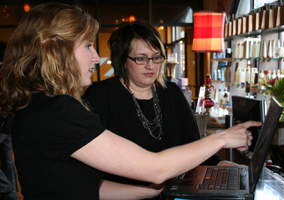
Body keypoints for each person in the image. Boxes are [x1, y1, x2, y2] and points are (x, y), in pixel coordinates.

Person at [0, 3, 260, 200]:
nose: (95, 57)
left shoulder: (41, 105)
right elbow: (156, 168)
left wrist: (150, 192)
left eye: (156, 57)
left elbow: (85, 187)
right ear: (57, 51)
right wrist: (223, 138)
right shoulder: (57, 111)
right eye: (88, 46)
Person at [83, 21, 244, 199]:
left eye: (156, 57)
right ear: (122, 59)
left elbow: (193, 145)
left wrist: (223, 165)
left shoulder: (171, 92)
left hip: (172, 193)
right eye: (141, 58)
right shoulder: (101, 96)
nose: (151, 66)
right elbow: (90, 172)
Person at [0, 41, 18, 200]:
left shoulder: (6, 73)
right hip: (8, 125)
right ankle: (10, 193)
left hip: (5, 124)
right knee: (7, 161)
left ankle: (7, 190)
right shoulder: (10, 74)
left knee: (7, 160)